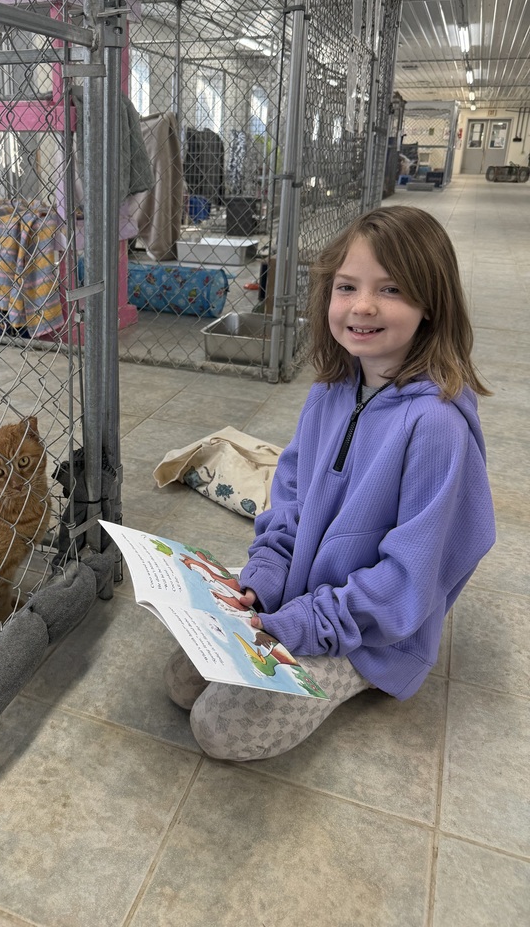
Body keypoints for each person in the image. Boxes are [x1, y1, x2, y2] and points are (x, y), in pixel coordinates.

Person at [164, 205, 496, 761]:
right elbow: (291, 500)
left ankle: (355, 674)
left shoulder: (437, 427)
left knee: (220, 729)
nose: (362, 306)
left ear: (430, 304)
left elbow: (407, 579)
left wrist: (306, 624)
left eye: (390, 289)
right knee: (181, 680)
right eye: (347, 287)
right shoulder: (329, 392)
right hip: (303, 590)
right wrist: (266, 574)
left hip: (369, 631)